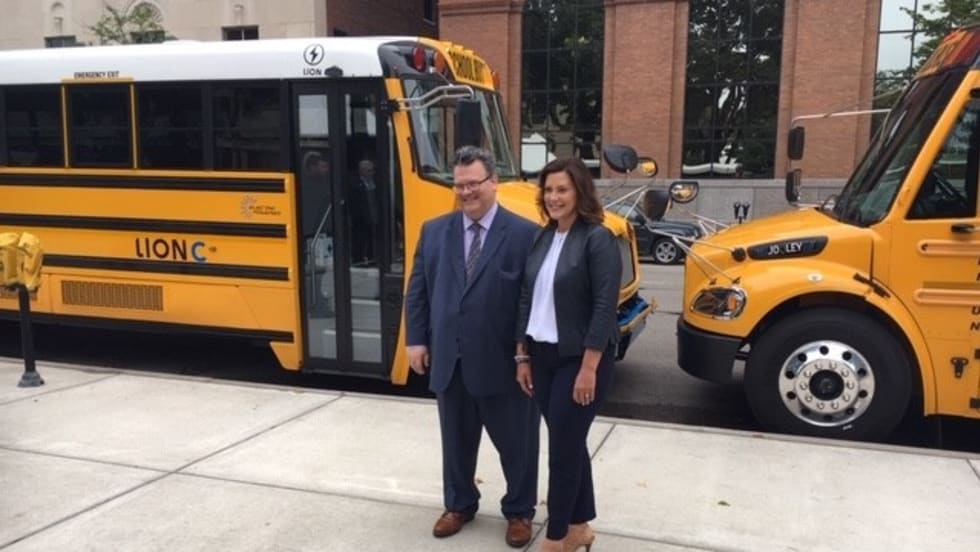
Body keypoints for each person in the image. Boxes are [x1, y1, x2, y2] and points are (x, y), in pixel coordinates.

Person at [405, 145, 540, 548]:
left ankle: (519, 511)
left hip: (505, 364)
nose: (466, 192)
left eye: (473, 184)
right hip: (450, 359)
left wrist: (524, 353)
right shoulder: (434, 231)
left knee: (518, 445)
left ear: (493, 182)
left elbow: (530, 301)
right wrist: (416, 339)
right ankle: (459, 504)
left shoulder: (525, 234)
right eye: (459, 185)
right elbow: (418, 290)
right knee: (456, 443)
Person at [514, 157, 622, 552]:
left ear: (580, 192)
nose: (554, 197)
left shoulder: (597, 239)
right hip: (541, 357)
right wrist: (522, 356)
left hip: (580, 359)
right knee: (570, 442)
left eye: (562, 189)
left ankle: (556, 537)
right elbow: (526, 298)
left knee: (562, 451)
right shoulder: (544, 237)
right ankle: (579, 527)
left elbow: (604, 306)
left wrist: (589, 367)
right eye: (548, 189)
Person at [350, 158, 379, 264]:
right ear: (362, 171)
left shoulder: (376, 183)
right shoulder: (355, 184)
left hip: (375, 216)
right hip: (361, 219)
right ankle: (359, 259)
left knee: (373, 240)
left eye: (372, 170)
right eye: (369, 171)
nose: (372, 173)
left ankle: (373, 258)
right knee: (361, 240)